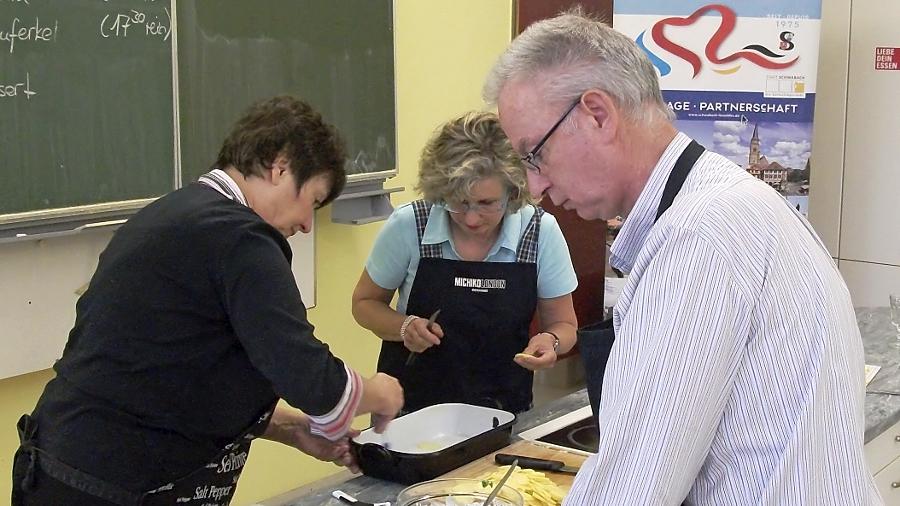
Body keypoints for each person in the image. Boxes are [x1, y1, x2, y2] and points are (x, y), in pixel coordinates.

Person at [484, 10, 882, 506]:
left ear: (597, 115)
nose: (537, 187)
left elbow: (634, 489)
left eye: (534, 155)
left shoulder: (700, 235)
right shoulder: (729, 201)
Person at [11, 96, 404, 506]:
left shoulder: (176, 215)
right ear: (280, 167)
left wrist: (292, 429)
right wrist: (380, 393)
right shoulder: (241, 238)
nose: (307, 224)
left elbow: (181, 371)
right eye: (314, 201)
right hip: (112, 481)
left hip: (62, 467)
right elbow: (306, 373)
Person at [351, 111, 578, 415]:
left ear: (513, 191)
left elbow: (564, 325)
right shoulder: (411, 225)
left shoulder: (538, 232)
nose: (472, 218)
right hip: (411, 412)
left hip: (503, 411)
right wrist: (404, 326)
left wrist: (550, 342)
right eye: (458, 202)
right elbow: (364, 304)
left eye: (486, 203)